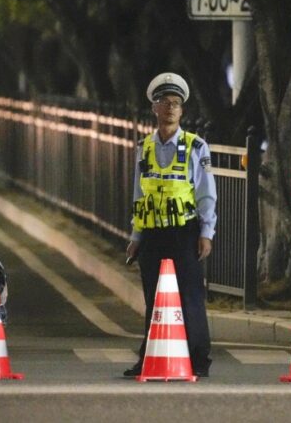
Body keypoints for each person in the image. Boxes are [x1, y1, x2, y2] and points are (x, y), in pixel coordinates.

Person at [123, 72, 217, 378]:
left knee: (190, 296)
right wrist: (136, 236)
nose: (170, 108)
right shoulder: (144, 147)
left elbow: (206, 194)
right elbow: (139, 193)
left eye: (176, 103)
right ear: (154, 108)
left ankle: (198, 359)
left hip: (184, 231)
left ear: (182, 110)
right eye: (165, 102)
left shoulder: (195, 146)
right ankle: (149, 357)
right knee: (154, 298)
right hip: (152, 233)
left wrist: (206, 233)